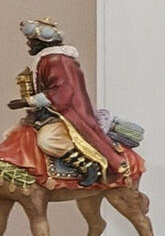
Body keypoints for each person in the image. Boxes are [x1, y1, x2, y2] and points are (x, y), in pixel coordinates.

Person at [3, 18, 144, 192]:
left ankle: (87, 166)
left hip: (68, 112)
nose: (28, 44)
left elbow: (63, 92)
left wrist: (30, 101)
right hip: (48, 112)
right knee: (12, 134)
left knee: (48, 140)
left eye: (31, 41)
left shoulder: (56, 61)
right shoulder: (46, 59)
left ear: (41, 42)